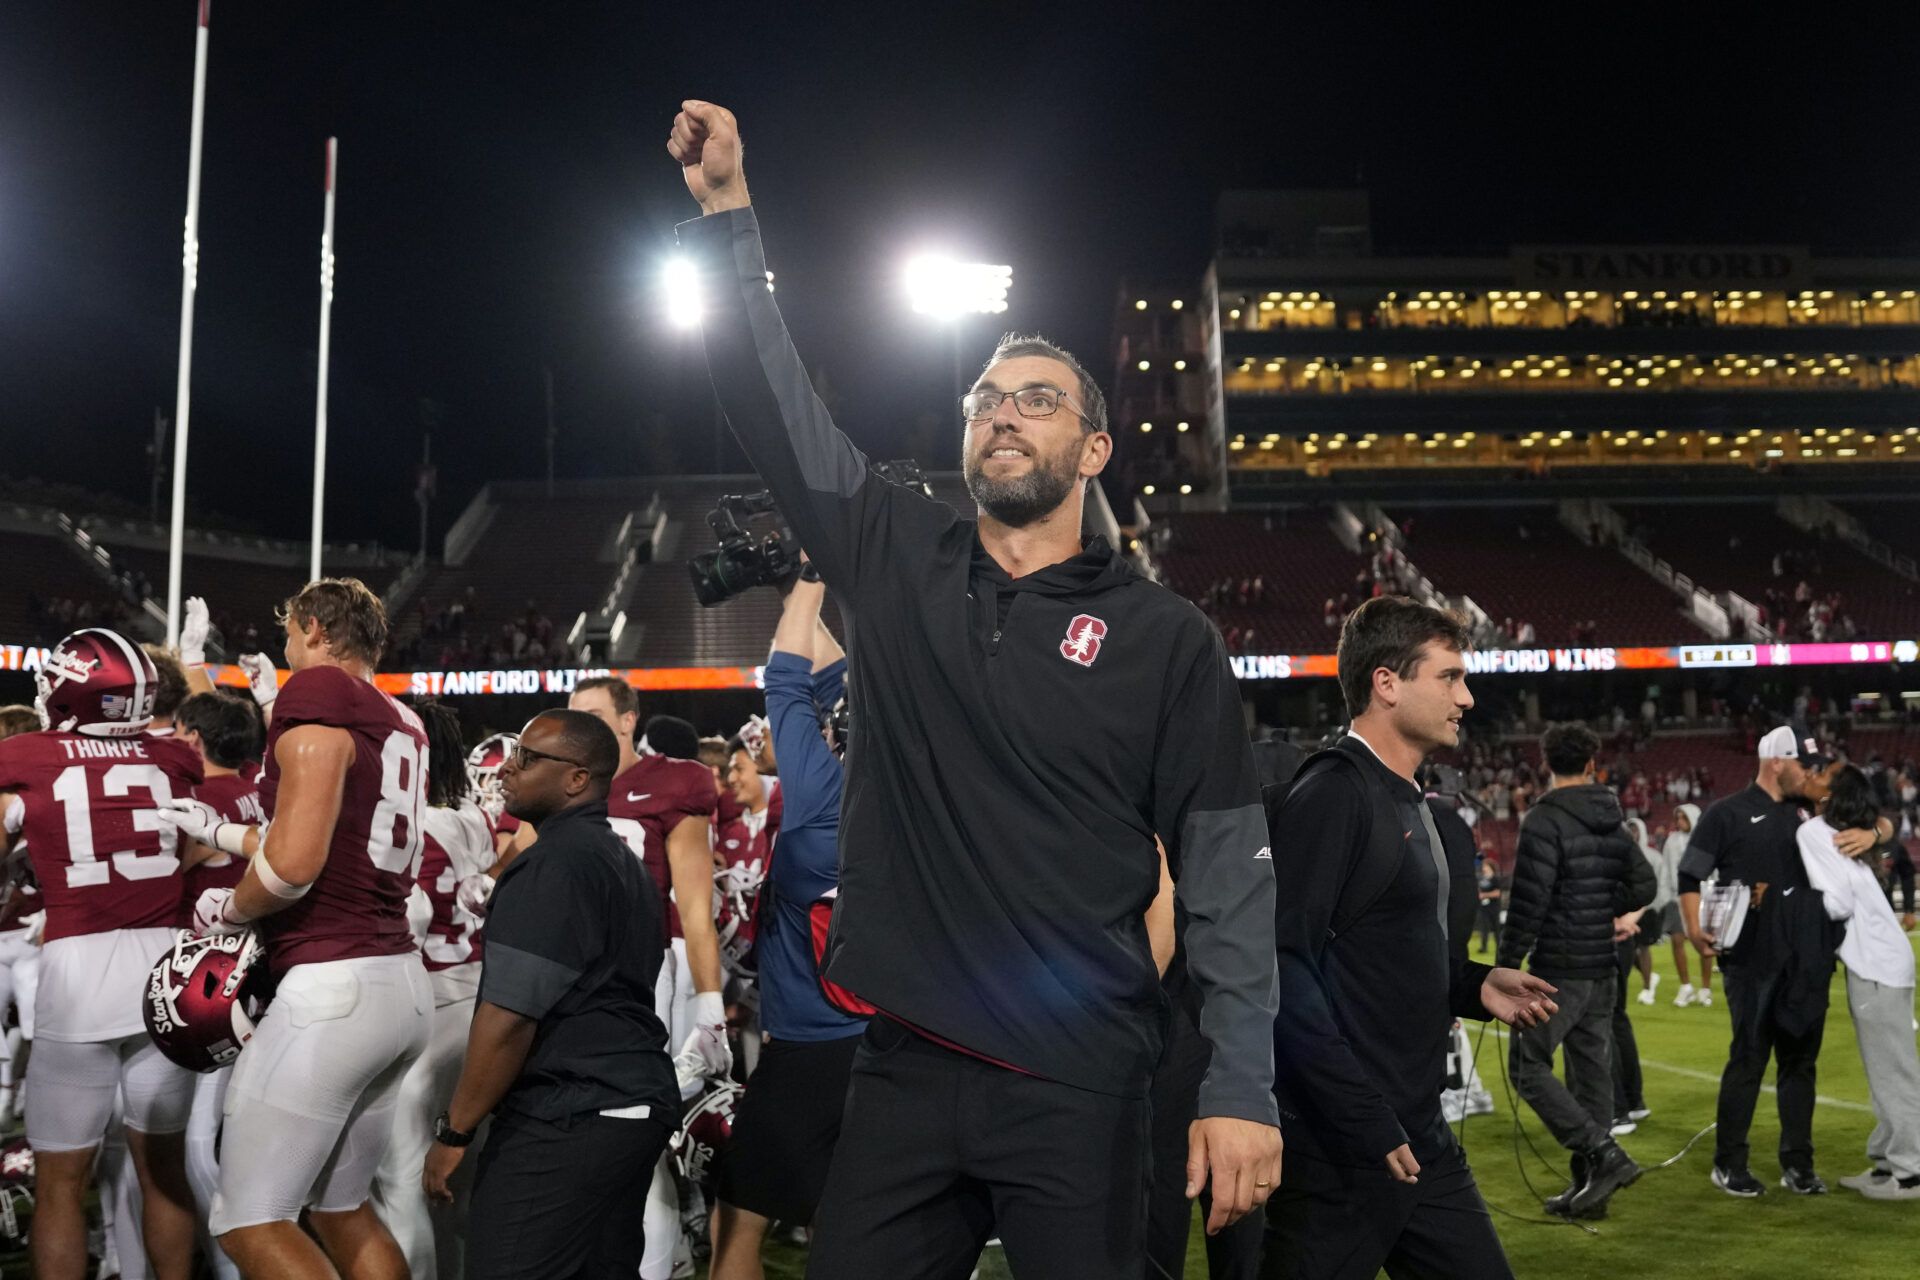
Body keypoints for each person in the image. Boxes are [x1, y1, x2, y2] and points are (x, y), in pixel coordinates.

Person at [670, 100, 1281, 1276]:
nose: (1004, 411)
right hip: (902, 1061)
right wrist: (729, 216)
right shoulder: (898, 555)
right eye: (988, 398)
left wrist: (1243, 1079)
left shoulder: (1166, 636)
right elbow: (775, 408)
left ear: (1095, 451)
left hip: (1083, 1075)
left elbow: (1224, 877)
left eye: (1039, 398)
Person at [1263, 597, 1558, 1279]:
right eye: (1449, 677)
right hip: (1341, 1142)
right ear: (1387, 683)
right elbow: (1284, 966)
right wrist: (1363, 1117)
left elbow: (1384, 953)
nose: (1468, 696)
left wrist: (1475, 983)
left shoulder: (1415, 802)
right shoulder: (1333, 793)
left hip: (1415, 1133)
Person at [161, 579, 434, 1278]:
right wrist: (226, 831)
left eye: (289, 635)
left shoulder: (318, 696)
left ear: (313, 628)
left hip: (331, 988)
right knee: (340, 1208)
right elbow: (323, 835)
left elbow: (293, 867)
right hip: (399, 982)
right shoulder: (402, 719)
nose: (286, 652)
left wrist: (225, 909)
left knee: (248, 1221)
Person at [421, 710, 677, 1277]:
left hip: (574, 1111)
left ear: (577, 778)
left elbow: (510, 1017)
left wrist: (454, 1130)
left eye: (529, 759)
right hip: (628, 1100)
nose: (509, 769)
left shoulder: (554, 864)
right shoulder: (618, 860)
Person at [0, 630, 203, 1280]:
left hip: (77, 969)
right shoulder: (174, 757)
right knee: (163, 1170)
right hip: (163, 969)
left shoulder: (23, 755)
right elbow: (192, 848)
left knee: (62, 1181)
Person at [709, 565, 866, 1280]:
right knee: (857, 1221)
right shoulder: (927, 794)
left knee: (737, 1216)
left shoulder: (821, 811)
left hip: (809, 1045)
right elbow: (835, 686)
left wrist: (808, 578)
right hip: (893, 1041)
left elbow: (788, 684)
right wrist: (786, 588)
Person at [1679, 721, 1891, 1198]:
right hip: (1752, 958)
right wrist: (1695, 929)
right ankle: (1729, 1162)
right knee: (1748, 1059)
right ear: (1778, 761)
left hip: (1808, 960)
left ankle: (1798, 1164)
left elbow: (1880, 819)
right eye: (1804, 763)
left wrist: (1875, 834)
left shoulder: (1814, 814)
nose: (1812, 773)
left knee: (1800, 1064)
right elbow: (1689, 875)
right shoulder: (1726, 814)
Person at [565, 680, 723, 1280]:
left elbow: (694, 907)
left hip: (636, 983)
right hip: (564, 987)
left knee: (638, 1145)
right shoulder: (563, 781)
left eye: (596, 716)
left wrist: (710, 1006)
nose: (581, 727)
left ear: (629, 720)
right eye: (573, 715)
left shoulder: (672, 783)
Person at [1501, 722, 1656, 1217]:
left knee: (1527, 1065)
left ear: (1547, 764)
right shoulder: (1611, 816)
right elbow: (1644, 885)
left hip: (1560, 966)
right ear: (1591, 763)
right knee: (1591, 1072)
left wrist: (1505, 965)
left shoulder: (1543, 819)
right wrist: (1602, 908)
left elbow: (1530, 900)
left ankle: (1605, 1157)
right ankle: (1591, 1189)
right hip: (1602, 969)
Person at [370, 700, 495, 1279]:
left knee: (402, 1180)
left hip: (431, 1000)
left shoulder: (409, 823)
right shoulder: (473, 816)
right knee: (458, 1189)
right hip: (479, 1004)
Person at [169, 691, 266, 1280]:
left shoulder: (203, 798)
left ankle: (235, 1266)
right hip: (253, 966)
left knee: (198, 1142)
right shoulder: (254, 784)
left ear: (196, 740)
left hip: (208, 978)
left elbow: (166, 869)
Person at [1799, 762, 1920, 1201]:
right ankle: (1887, 1160)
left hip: (1875, 965)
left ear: (1830, 795)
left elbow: (1837, 902)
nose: (1813, 773)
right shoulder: (1839, 828)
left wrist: (1784, 903)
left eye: (1823, 773)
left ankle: (1910, 1175)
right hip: (1883, 960)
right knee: (1884, 1072)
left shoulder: (1813, 830)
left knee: (1894, 1074)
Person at [1659, 804, 1712, 1006]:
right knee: (1677, 940)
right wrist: (1664, 897)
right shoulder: (1671, 841)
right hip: (1676, 897)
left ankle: (1705, 989)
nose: (1680, 821)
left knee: (1704, 942)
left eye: (1684, 817)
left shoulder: (1705, 840)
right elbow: (1665, 869)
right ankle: (1686, 986)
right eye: (1678, 817)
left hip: (1704, 896)